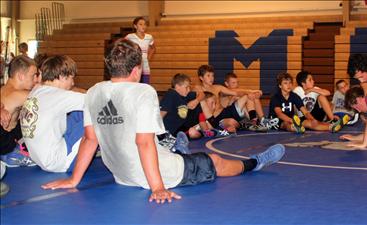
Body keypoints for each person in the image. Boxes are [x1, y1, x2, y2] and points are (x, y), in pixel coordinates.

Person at [41, 39, 285, 204]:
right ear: (137, 69)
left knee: (170, 150)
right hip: (158, 174)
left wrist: (74, 179)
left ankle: (179, 149)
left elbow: (90, 138)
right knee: (215, 161)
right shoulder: (142, 92)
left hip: (121, 175)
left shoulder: (93, 91)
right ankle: (256, 162)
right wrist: (157, 187)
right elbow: (144, 142)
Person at [19, 55, 85, 172]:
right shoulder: (58, 96)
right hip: (59, 162)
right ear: (62, 76)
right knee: (98, 113)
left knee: (80, 113)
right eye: (71, 78)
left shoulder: (37, 91)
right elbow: (97, 100)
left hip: (41, 158)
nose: (73, 83)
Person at [269, 72, 343, 133]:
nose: (289, 85)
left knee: (310, 123)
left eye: (290, 83)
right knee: (286, 124)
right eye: (285, 83)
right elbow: (279, 114)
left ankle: (331, 127)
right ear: (280, 85)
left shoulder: (294, 96)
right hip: (278, 121)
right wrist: (293, 121)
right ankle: (296, 128)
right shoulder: (276, 97)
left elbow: (305, 112)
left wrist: (312, 119)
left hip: (294, 120)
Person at [0, 56, 39, 167]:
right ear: (21, 76)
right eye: (33, 76)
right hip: (5, 144)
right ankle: (9, 154)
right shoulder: (18, 94)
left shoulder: (4, 89)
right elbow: (51, 96)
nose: (36, 80)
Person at [193, 65, 254, 133]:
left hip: (225, 111)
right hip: (216, 118)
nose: (211, 78)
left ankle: (254, 122)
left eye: (212, 75)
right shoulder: (198, 89)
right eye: (208, 75)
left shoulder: (217, 87)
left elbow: (236, 93)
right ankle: (243, 125)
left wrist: (252, 92)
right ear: (201, 78)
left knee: (247, 96)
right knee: (232, 122)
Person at [160, 73, 210, 140]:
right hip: (169, 132)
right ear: (177, 86)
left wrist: (196, 101)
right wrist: (158, 134)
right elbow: (161, 115)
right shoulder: (171, 94)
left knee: (200, 101)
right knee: (193, 132)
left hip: (180, 129)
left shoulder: (185, 95)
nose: (189, 90)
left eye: (189, 87)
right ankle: (204, 132)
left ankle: (205, 131)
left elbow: (202, 94)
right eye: (186, 87)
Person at [125, 17, 154, 84]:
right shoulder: (130, 36)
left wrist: (148, 58)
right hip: (133, 67)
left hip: (145, 68)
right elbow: (121, 46)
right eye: (140, 24)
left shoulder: (149, 37)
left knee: (144, 87)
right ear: (135, 26)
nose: (143, 26)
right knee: (134, 87)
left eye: (145, 24)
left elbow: (153, 48)